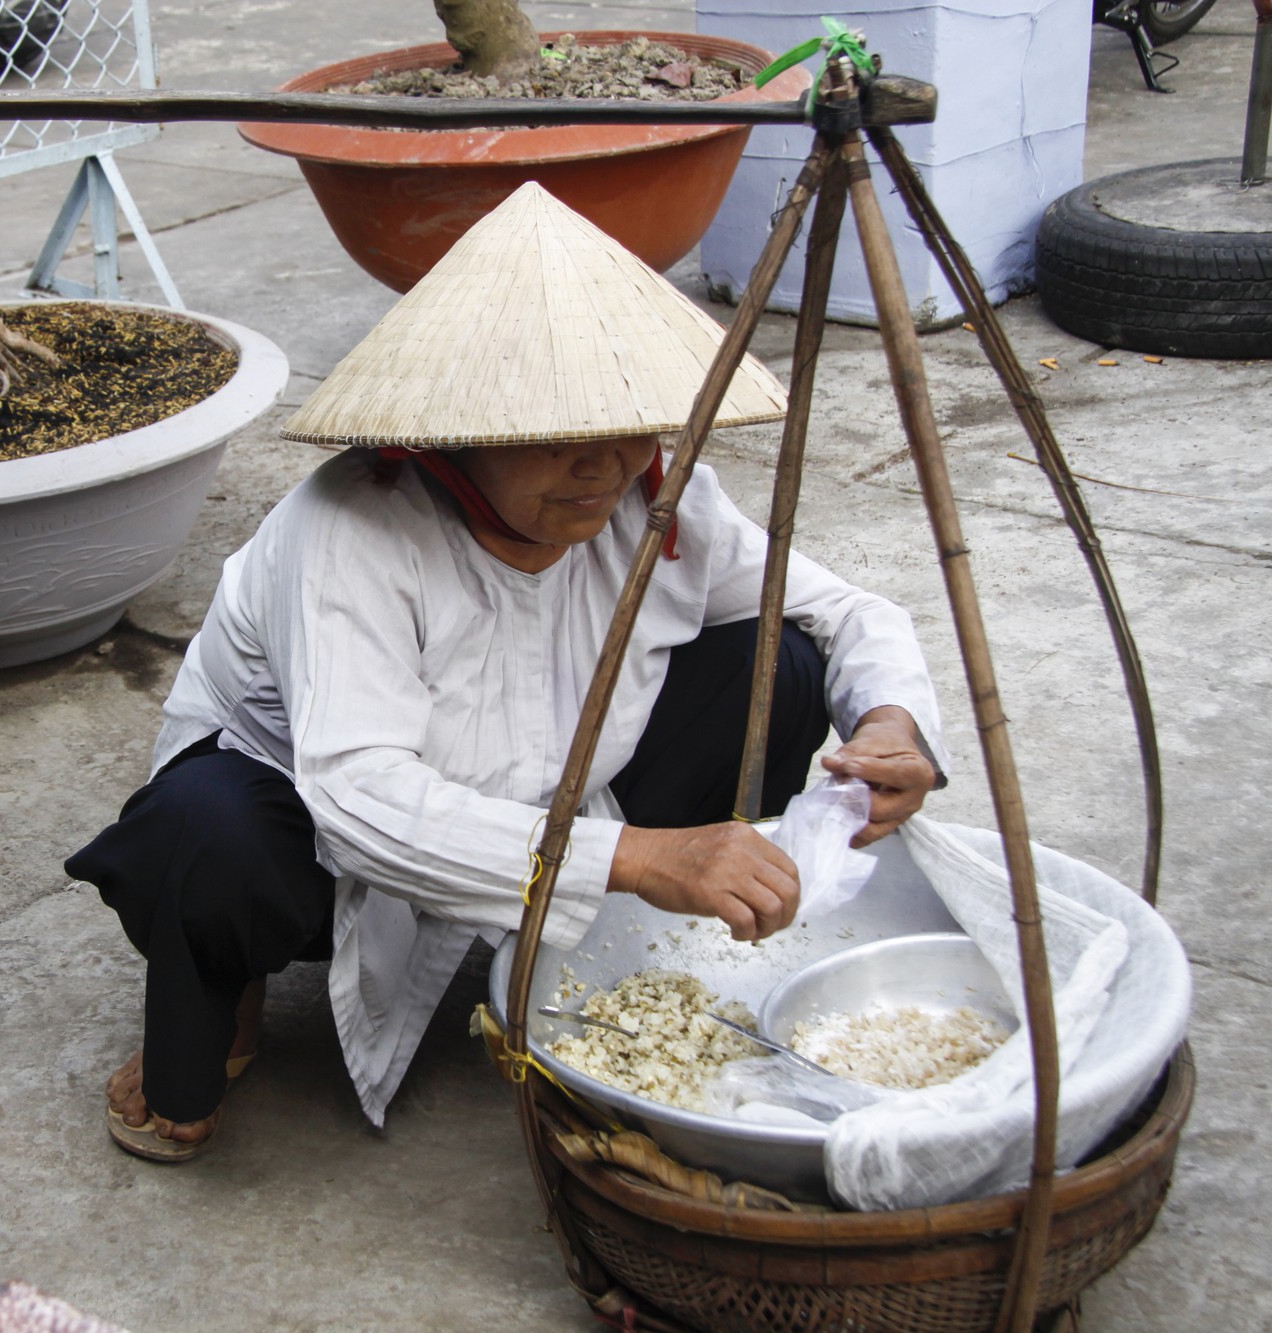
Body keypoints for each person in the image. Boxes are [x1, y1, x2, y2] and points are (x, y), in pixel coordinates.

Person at [66, 183, 948, 1162]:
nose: (599, 465)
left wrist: (888, 722)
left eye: (624, 424)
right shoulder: (352, 531)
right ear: (458, 428)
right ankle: (215, 998)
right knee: (204, 837)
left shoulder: (654, 498)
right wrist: (645, 859)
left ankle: (629, 940)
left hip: (554, 787)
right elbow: (359, 799)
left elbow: (847, 610)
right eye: (550, 431)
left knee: (779, 659)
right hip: (306, 829)